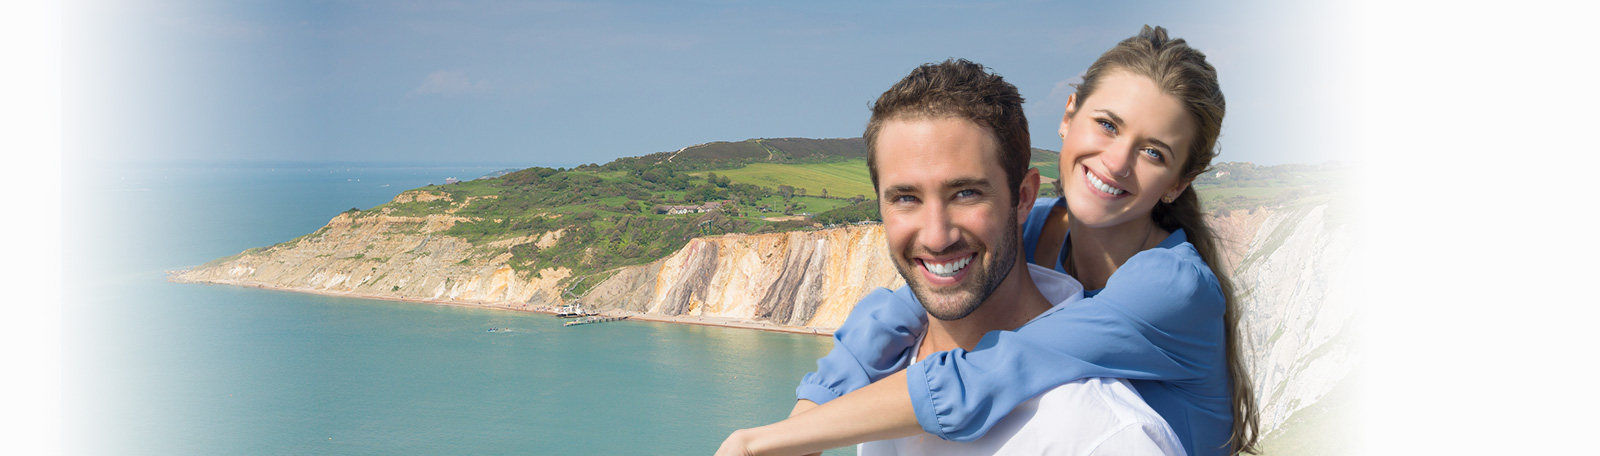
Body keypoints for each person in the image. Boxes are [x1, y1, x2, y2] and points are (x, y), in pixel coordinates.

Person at [720, 25, 1257, 456]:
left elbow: (989, 373)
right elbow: (896, 313)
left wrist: (760, 441)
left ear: (1181, 181)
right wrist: (805, 416)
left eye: (1154, 152)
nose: (1116, 161)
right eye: (1108, 125)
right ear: (1069, 116)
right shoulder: (1036, 225)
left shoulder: (1170, 287)